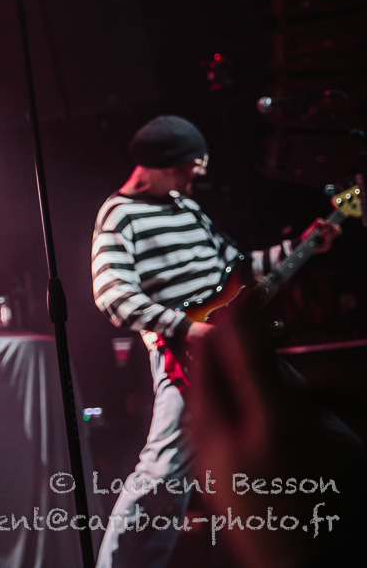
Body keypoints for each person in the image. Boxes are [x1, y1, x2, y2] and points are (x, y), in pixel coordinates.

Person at [90, 115, 337, 568]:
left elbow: (239, 267)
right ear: (161, 166)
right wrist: (187, 329)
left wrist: (302, 246)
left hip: (233, 347)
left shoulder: (187, 207)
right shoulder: (119, 214)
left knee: (324, 431)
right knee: (163, 477)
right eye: (188, 170)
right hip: (186, 357)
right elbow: (112, 295)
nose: (193, 180)